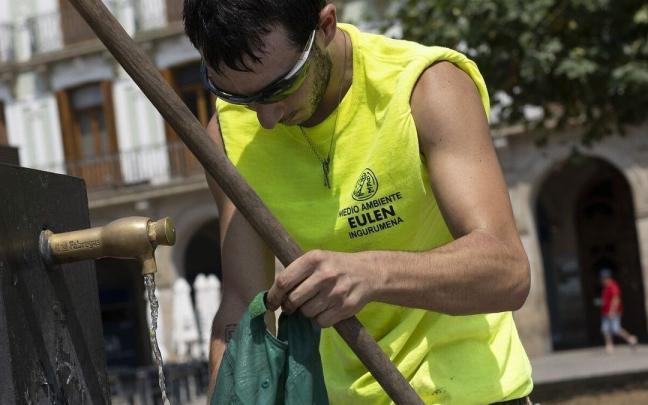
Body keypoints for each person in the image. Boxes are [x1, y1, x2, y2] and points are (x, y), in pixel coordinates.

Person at [183, 1, 533, 403]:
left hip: (474, 393)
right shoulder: (229, 137)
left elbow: (507, 270)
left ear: (325, 25)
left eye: (280, 88)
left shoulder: (426, 87)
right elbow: (242, 301)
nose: (265, 118)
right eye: (236, 95)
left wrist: (373, 273)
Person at [600, 268, 637, 353]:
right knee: (605, 329)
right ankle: (609, 345)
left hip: (613, 312)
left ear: (608, 278)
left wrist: (612, 311)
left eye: (603, 278)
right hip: (605, 312)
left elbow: (616, 299)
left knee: (616, 329)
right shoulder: (605, 287)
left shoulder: (613, 286)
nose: (602, 280)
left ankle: (630, 338)